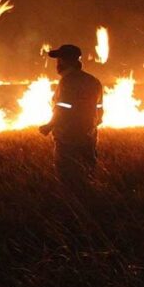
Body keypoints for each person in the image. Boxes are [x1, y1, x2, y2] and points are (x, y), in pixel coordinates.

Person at [38, 44, 103, 187]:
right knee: (88, 172)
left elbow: (63, 107)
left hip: (68, 136)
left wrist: (49, 126)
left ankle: (70, 202)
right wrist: (91, 126)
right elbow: (99, 109)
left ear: (70, 61)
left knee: (67, 175)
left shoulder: (67, 81)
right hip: (89, 136)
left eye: (60, 60)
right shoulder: (93, 81)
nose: (58, 63)